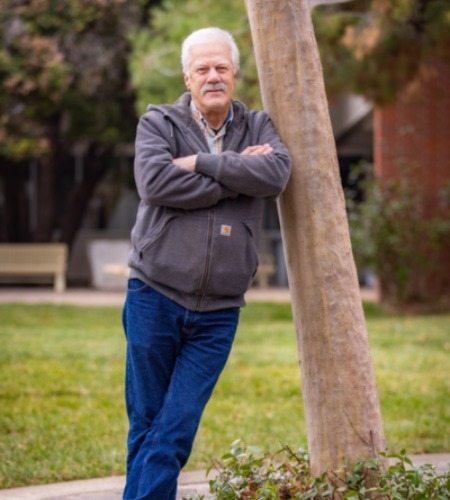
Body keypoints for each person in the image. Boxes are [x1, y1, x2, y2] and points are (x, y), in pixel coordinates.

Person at [122, 27, 291, 500]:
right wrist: (241, 173)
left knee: (174, 428)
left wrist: (197, 163)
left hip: (219, 309)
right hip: (153, 294)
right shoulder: (157, 122)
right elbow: (155, 183)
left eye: (221, 68)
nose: (212, 76)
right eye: (203, 69)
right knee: (148, 422)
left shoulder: (258, 125)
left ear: (235, 74)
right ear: (187, 76)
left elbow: (276, 172)